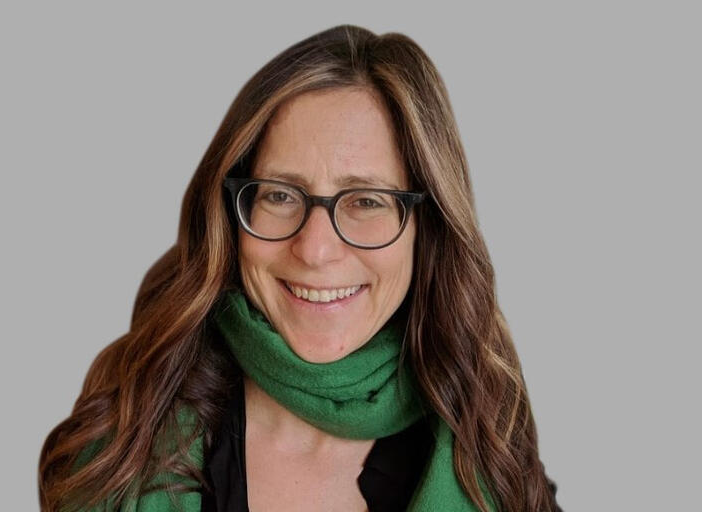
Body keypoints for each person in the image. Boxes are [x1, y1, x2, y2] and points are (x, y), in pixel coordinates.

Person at [38, 24, 562, 512]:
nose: (314, 250)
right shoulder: (120, 443)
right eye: (281, 194)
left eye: (366, 201)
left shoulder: (496, 457)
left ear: (429, 227)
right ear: (233, 213)